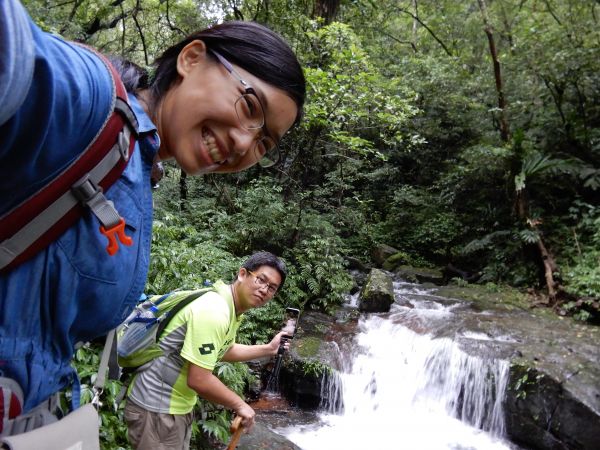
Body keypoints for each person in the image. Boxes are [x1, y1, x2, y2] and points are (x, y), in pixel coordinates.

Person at [0, 0, 305, 435]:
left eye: (265, 143)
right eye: (249, 106)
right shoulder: (92, 102)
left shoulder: (139, 167)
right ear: (191, 58)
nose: (243, 143)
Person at [124, 251, 288, 449]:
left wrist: (269, 349)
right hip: (157, 408)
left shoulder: (229, 307)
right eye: (261, 280)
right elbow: (199, 379)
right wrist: (240, 404)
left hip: (173, 408)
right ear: (242, 274)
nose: (264, 290)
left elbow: (223, 350)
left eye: (272, 288)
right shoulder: (215, 311)